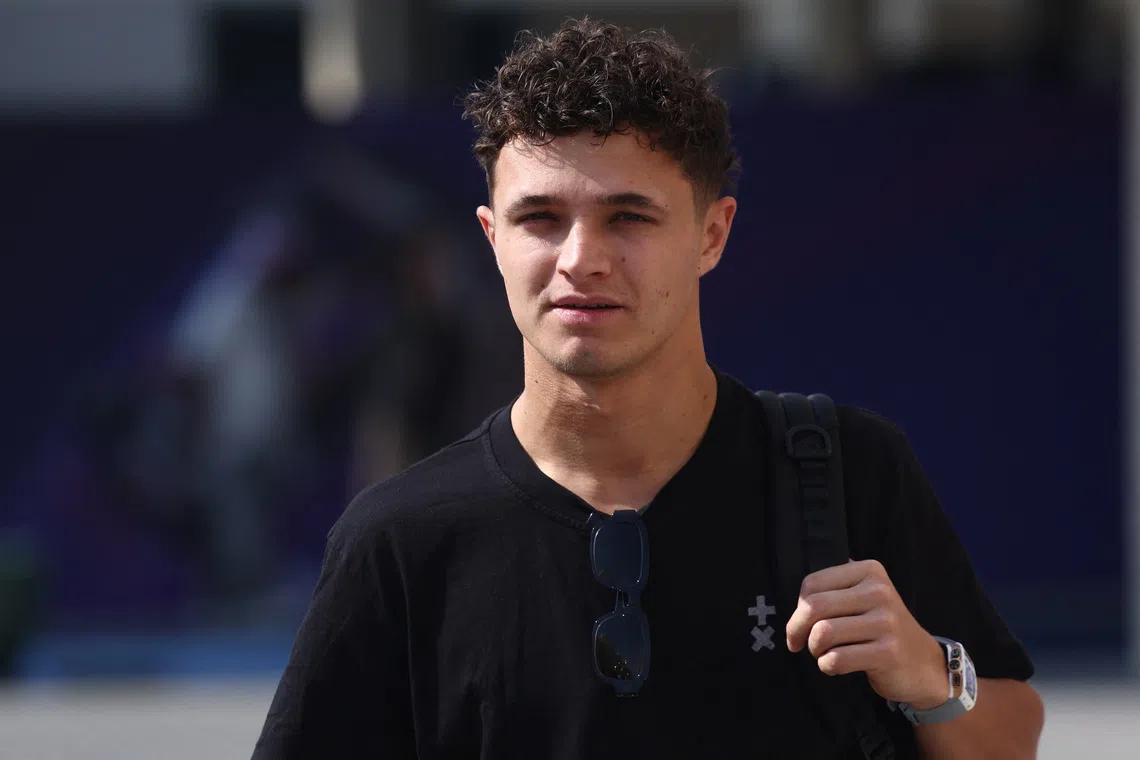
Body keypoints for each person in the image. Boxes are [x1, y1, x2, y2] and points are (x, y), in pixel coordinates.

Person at [253, 18, 1044, 759]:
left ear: (712, 233)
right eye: (540, 218)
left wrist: (929, 678)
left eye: (628, 217)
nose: (580, 258)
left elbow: (1013, 737)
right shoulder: (399, 539)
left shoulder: (847, 475)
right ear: (491, 239)